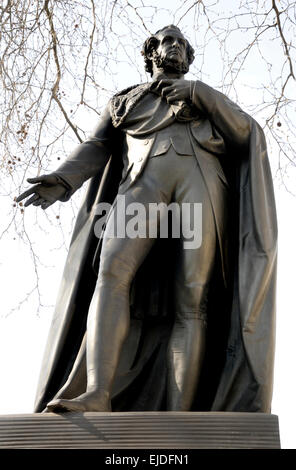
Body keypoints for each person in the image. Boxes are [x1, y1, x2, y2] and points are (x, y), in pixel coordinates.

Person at [17, 25, 277, 414]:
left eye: (183, 44)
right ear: (152, 52)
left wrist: (201, 94)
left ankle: (181, 413)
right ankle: (97, 392)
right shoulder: (125, 101)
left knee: (193, 300)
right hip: (141, 186)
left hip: (201, 187)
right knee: (111, 273)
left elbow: (246, 133)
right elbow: (98, 145)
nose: (176, 47)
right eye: (167, 40)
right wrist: (63, 179)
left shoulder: (206, 99)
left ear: (189, 59)